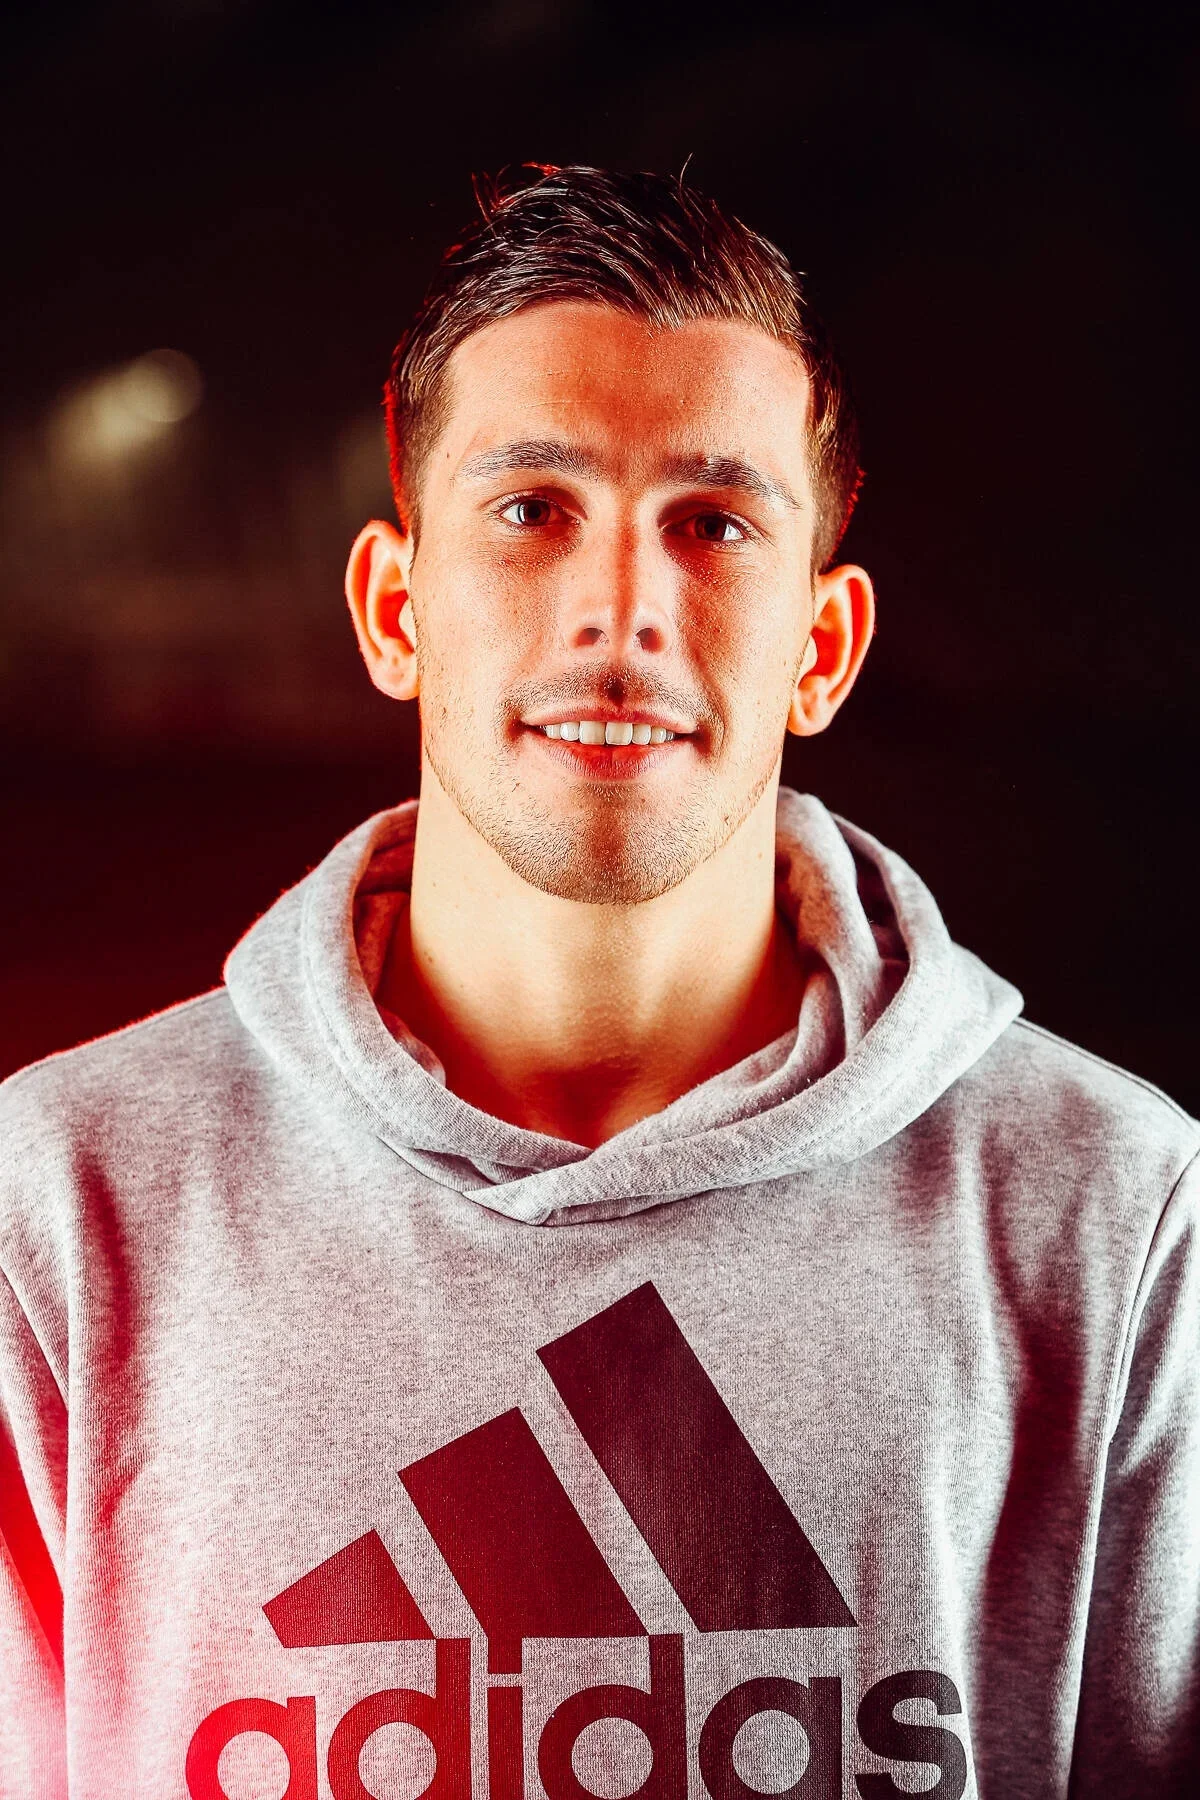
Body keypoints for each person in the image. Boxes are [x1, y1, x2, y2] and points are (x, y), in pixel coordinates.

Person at [0, 165, 1196, 1800]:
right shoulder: (59, 1206)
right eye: (531, 511)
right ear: (395, 610)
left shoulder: (1118, 1215)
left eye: (712, 525)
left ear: (824, 648)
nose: (621, 614)